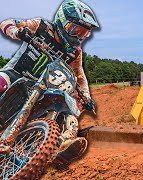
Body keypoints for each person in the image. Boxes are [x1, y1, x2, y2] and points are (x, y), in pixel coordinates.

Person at [0, 0, 99, 164]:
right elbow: (6, 23)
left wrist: (86, 97)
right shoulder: (41, 26)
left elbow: (79, 76)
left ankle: (61, 145)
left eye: (83, 34)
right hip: (16, 74)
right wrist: (17, 32)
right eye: (75, 30)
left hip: (41, 88)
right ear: (62, 21)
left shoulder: (74, 52)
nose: (77, 37)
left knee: (66, 111)